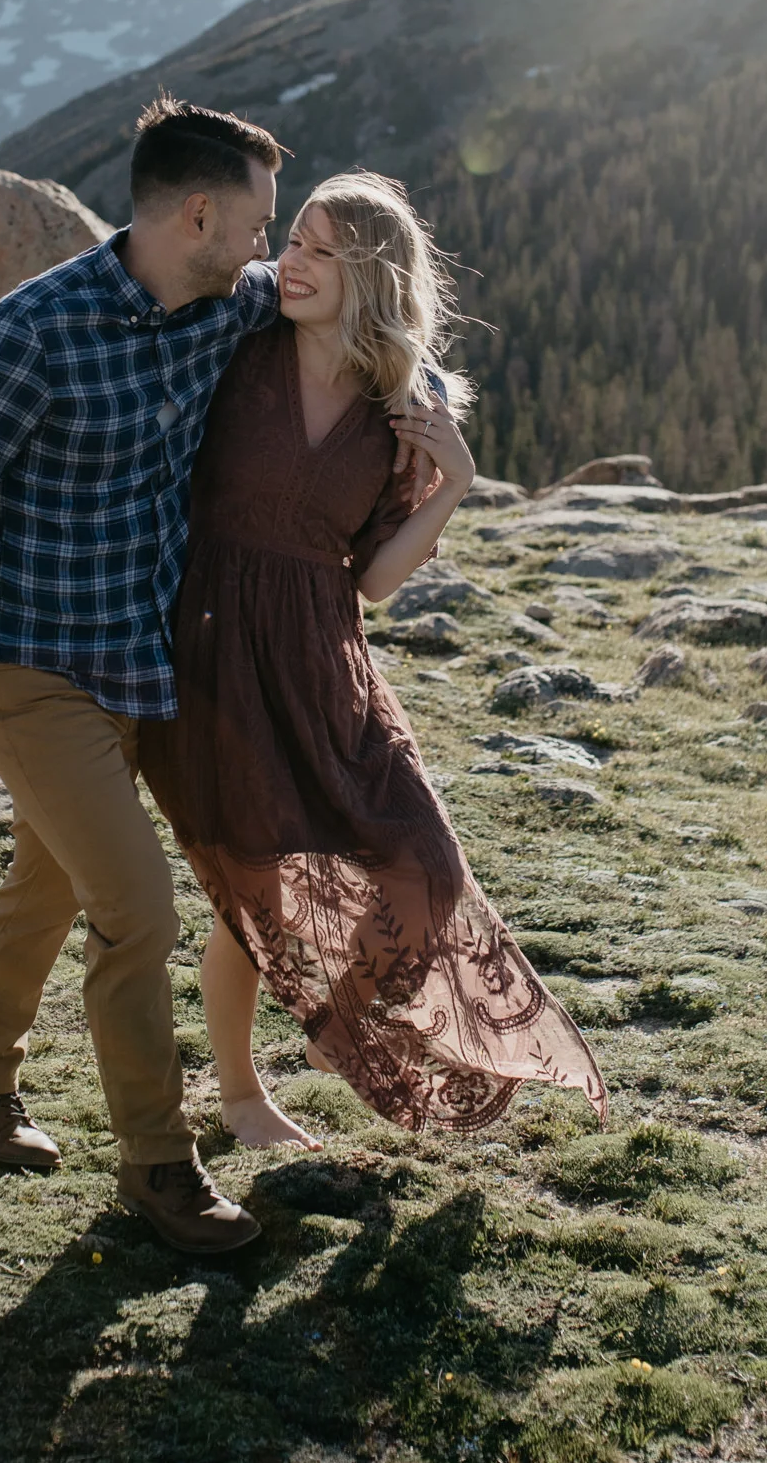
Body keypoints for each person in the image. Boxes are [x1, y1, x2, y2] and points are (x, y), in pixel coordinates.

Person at [0, 97, 307, 1257]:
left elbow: (325, 301)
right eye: (259, 223)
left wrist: (422, 402)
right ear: (199, 212)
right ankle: (160, 1166)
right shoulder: (30, 335)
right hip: (22, 669)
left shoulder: (222, 304)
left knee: (47, 890)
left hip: (136, 671)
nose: (268, 248)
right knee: (139, 908)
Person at [137, 171, 608, 1148]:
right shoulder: (239, 343)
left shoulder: (405, 405)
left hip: (323, 659)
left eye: (316, 249)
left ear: (373, 273)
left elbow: (376, 578)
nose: (288, 263)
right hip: (214, 653)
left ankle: (336, 1022)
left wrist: (455, 483)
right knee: (251, 892)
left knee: (424, 867)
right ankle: (238, 1096)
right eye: (292, 241)